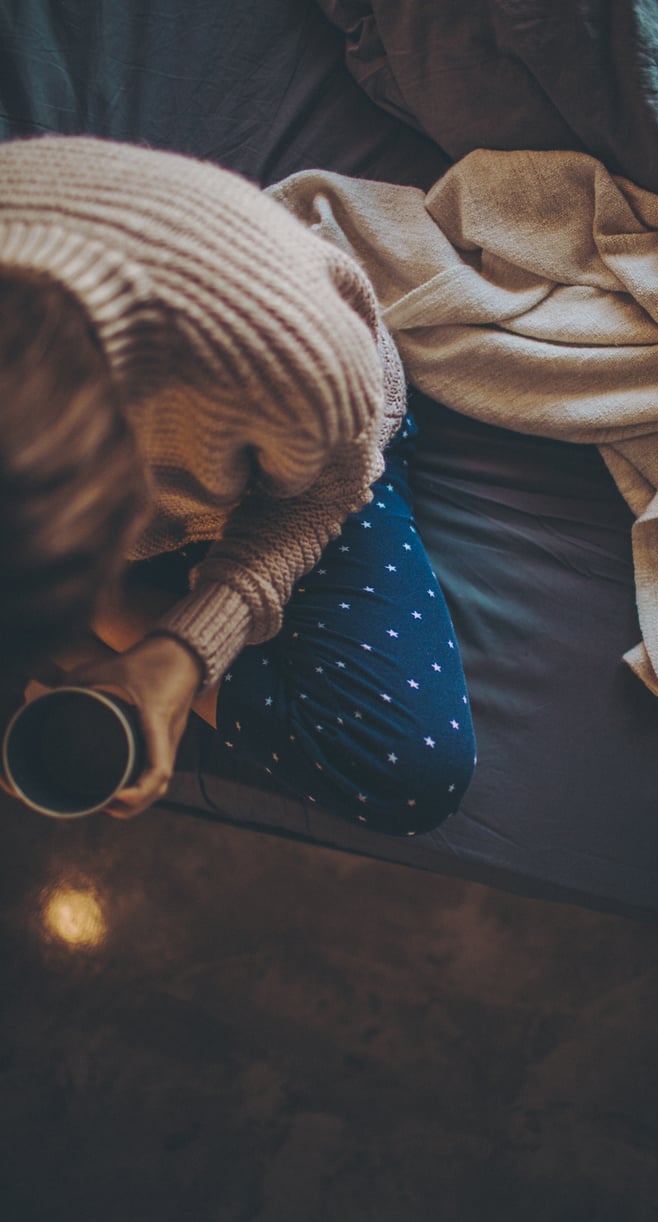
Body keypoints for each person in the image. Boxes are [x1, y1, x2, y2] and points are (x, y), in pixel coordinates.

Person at [0, 134, 476, 833]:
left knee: (409, 769)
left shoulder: (284, 348)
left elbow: (320, 495)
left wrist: (187, 650)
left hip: (302, 474)